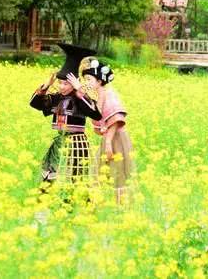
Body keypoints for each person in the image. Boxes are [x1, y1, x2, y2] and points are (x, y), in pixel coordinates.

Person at [30, 43, 101, 185]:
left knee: (75, 179)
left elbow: (96, 114)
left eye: (66, 84)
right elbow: (35, 104)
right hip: (59, 142)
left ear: (74, 83)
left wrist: (80, 90)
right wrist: (46, 86)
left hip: (77, 143)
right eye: (60, 83)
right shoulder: (57, 98)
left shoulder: (80, 98)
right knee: (49, 177)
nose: (62, 87)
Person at [81, 58, 133, 202]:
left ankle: (122, 205)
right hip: (109, 138)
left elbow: (116, 118)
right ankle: (98, 203)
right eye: (85, 79)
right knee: (101, 170)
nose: (86, 82)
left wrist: (109, 142)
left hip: (116, 138)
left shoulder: (109, 93)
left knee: (118, 172)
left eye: (89, 79)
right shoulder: (99, 95)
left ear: (99, 81)